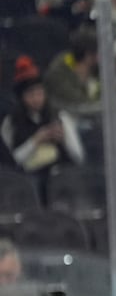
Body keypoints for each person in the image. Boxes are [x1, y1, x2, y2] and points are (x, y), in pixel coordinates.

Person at [0, 56, 85, 201]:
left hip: (59, 174)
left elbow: (79, 157)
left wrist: (64, 139)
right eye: (30, 94)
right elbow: (12, 161)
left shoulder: (60, 117)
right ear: (21, 97)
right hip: (28, 177)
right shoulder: (10, 123)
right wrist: (36, 140)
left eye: (39, 93)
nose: (36, 99)